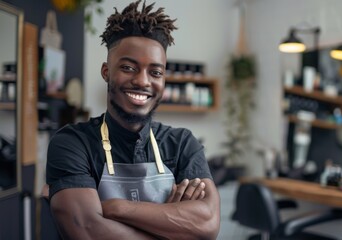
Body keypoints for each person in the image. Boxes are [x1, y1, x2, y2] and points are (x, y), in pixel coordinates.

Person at [45, 1, 220, 239]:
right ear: (106, 72)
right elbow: (87, 229)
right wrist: (171, 224)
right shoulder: (72, 144)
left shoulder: (182, 145)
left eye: (155, 72)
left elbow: (208, 223)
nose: (143, 81)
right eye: (128, 67)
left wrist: (116, 208)